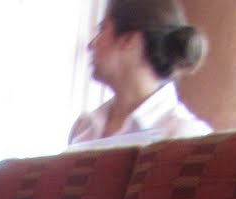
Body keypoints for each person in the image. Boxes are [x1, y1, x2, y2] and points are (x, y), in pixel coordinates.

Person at [69, 0, 211, 146]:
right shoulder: (84, 127)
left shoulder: (185, 136)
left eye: (102, 29)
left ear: (129, 40)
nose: (91, 45)